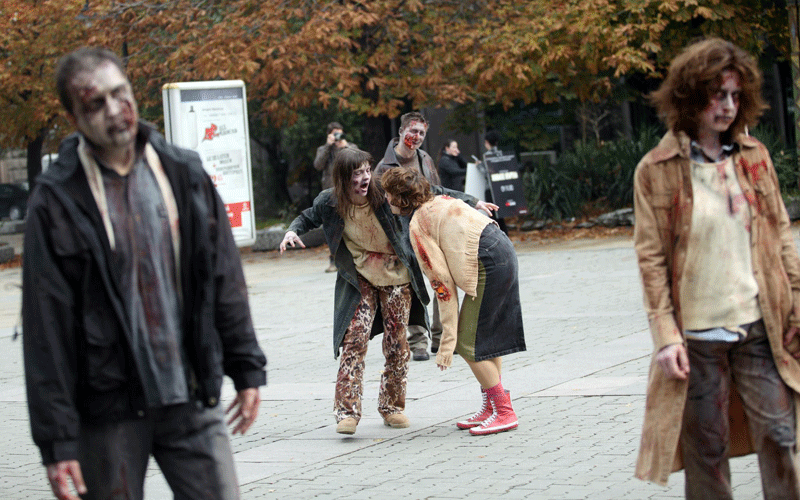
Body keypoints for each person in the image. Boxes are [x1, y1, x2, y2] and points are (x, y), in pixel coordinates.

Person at [23, 47, 267, 500]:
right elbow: (45, 328)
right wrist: (57, 441)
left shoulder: (182, 172)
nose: (115, 110)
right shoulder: (56, 200)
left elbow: (222, 278)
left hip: (191, 393)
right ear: (74, 116)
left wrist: (246, 367)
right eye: (96, 104)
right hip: (108, 409)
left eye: (120, 93)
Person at [633, 38, 800, 498]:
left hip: (760, 327)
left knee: (781, 437)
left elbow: (782, 239)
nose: (727, 106)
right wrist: (666, 337)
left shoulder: (755, 158)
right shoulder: (657, 169)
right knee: (707, 452)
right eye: (716, 94)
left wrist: (797, 308)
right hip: (698, 338)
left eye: (735, 95)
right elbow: (651, 260)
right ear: (690, 96)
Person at [280, 147, 429, 435]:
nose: (363, 178)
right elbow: (307, 217)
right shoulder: (330, 202)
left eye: (365, 171)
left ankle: (392, 407)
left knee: (398, 343)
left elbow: (429, 190)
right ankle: (347, 412)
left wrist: (472, 202)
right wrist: (292, 230)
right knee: (354, 340)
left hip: (396, 274)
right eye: (355, 174)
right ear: (342, 179)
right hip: (359, 276)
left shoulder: (384, 189)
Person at [381, 166, 526, 435]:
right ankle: (492, 407)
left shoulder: (418, 224)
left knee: (467, 342)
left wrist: (448, 341)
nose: (386, 200)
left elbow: (442, 286)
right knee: (485, 339)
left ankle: (504, 411)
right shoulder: (438, 201)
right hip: (503, 250)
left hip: (488, 264)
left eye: (389, 195)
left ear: (401, 198)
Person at [374, 111, 442, 362]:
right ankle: (418, 341)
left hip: (429, 231)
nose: (417, 136)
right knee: (413, 287)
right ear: (401, 132)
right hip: (402, 235)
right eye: (412, 131)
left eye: (422, 133)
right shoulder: (384, 166)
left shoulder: (425, 159)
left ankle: (440, 337)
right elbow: (379, 207)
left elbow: (436, 191)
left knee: (441, 281)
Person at [314, 122, 356, 273]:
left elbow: (359, 160)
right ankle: (334, 260)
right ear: (329, 135)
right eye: (335, 133)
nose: (338, 136)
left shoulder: (350, 146)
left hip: (350, 192)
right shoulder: (324, 149)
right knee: (332, 228)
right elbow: (318, 165)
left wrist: (345, 146)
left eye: (340, 133)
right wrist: (327, 145)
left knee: (351, 225)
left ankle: (354, 258)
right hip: (331, 193)